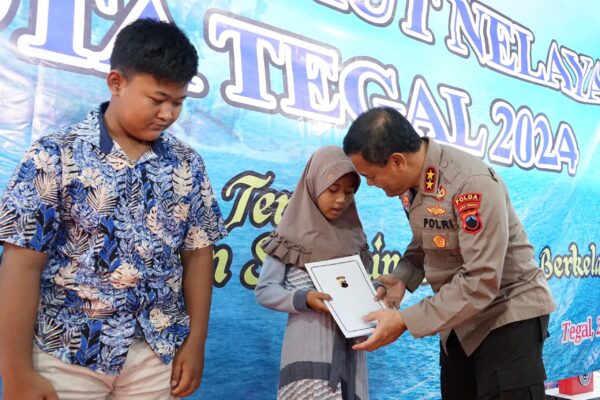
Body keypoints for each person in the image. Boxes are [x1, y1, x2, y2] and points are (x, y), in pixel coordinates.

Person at [0, 18, 227, 400]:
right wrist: (17, 371)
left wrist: (195, 343)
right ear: (117, 82)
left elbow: (199, 254)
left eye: (179, 103)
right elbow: (20, 265)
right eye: (157, 99)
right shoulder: (54, 155)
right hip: (67, 353)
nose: (168, 114)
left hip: (157, 353)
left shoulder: (187, 166)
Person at [343, 107, 556, 400]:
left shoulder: (471, 183)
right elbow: (426, 239)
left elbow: (482, 280)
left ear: (397, 161)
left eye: (371, 175)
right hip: (460, 319)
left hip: (507, 314)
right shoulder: (412, 185)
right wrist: (403, 278)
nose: (370, 184)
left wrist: (405, 320)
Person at [255, 146, 382, 400]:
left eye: (348, 192)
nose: (340, 200)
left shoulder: (355, 239)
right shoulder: (289, 237)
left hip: (351, 353)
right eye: (332, 189)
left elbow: (356, 290)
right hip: (307, 352)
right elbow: (265, 291)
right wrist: (305, 299)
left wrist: (377, 291)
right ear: (313, 184)